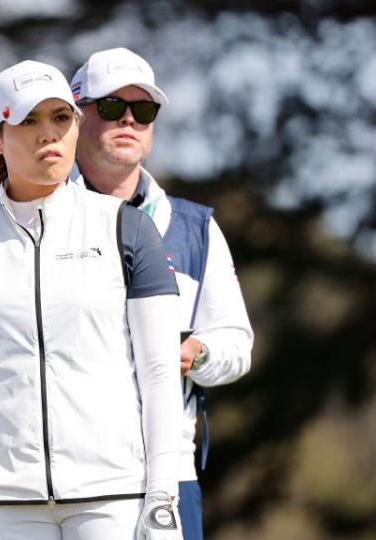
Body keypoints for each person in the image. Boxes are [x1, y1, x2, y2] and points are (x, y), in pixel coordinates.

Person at [0, 59, 185, 539]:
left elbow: (159, 374)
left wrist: (162, 496)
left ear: (76, 127)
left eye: (60, 118)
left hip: (114, 494)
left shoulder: (126, 226)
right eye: (28, 120)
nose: (47, 134)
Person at [70, 47, 254, 540]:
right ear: (76, 115)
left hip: (168, 471)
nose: (128, 119)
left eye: (143, 110)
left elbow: (237, 345)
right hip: (60, 476)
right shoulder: (39, 217)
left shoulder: (195, 227)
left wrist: (194, 353)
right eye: (111, 107)